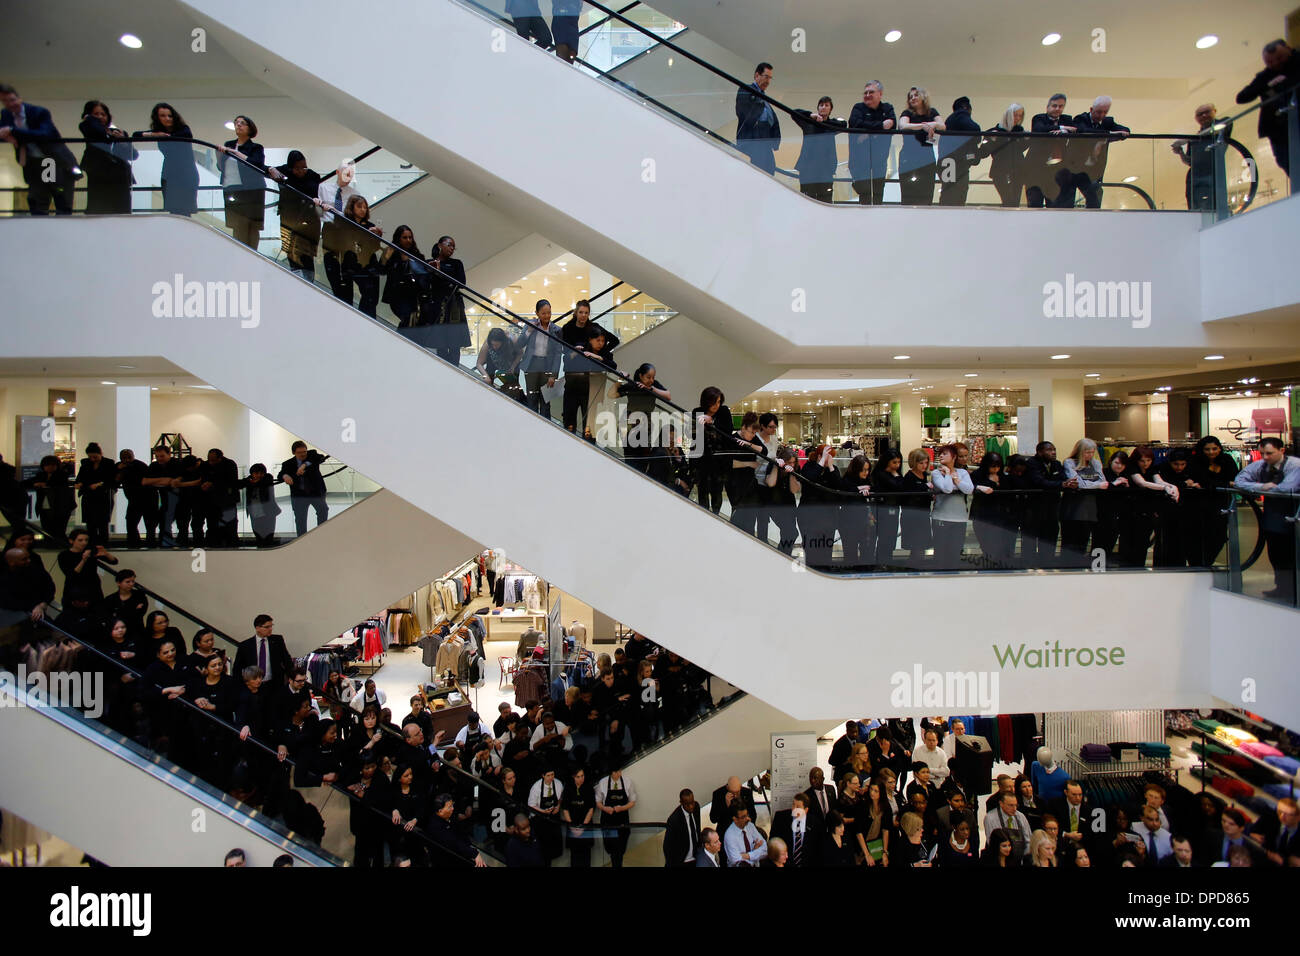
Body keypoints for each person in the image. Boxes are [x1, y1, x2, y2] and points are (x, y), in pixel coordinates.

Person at [1233, 436, 1299, 602]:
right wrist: (1262, 486)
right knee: (1276, 554)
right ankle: (1282, 588)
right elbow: (1239, 481)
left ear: (1282, 450)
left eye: (1269, 453)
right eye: (1262, 453)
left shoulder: (1295, 465)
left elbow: (1287, 488)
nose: (1265, 457)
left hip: (1294, 517)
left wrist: (1256, 488)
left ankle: (1294, 589)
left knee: (1293, 555)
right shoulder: (1261, 465)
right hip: (1273, 518)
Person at [0, 84, 78, 215]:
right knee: (37, 202)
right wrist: (9, 136)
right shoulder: (6, 114)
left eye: (12, 100)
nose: (10, 104)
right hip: (33, 163)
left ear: (19, 98)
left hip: (53, 160)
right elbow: (3, 132)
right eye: (5, 101)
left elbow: (44, 134)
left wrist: (13, 131)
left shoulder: (39, 112)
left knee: (60, 199)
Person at [1235, 40, 1300, 180]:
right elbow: (1242, 97)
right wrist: (1269, 85)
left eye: (1280, 58)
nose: (1275, 64)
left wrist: (1284, 83)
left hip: (1294, 120)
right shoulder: (1265, 75)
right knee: (1287, 162)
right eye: (1270, 62)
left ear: (1289, 49)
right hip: (1278, 129)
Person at [1056, 95, 1130, 208]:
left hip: (1092, 170)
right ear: (1091, 110)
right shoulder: (1080, 118)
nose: (1102, 115)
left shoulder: (1108, 122)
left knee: (1094, 199)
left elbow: (1126, 131)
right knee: (1066, 201)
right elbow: (1084, 131)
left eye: (1105, 112)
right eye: (1099, 112)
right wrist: (1108, 134)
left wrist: (1106, 136)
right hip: (1073, 168)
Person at [136, 102, 199, 216]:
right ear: (157, 118)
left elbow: (185, 136)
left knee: (185, 210)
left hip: (186, 173)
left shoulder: (183, 129)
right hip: (169, 174)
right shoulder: (158, 132)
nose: (167, 118)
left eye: (170, 116)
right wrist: (154, 135)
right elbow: (136, 135)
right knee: (173, 210)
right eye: (163, 116)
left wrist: (162, 135)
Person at [217, 115, 267, 248]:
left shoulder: (256, 148)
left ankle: (252, 254)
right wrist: (219, 154)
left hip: (252, 189)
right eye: (236, 123)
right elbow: (221, 167)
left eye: (242, 123)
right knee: (237, 225)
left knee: (252, 225)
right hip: (231, 188)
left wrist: (235, 153)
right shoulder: (228, 144)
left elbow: (257, 164)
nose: (238, 125)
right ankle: (239, 253)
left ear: (250, 128)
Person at [78, 100, 136, 215]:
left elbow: (133, 155)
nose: (100, 117)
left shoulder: (119, 132)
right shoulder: (87, 126)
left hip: (120, 175)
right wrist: (89, 118)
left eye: (103, 114)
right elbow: (98, 132)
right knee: (99, 207)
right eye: (96, 114)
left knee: (122, 210)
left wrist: (122, 141)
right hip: (99, 172)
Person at [1187, 435, 1238, 565]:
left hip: (1221, 504)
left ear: (1219, 448)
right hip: (1199, 505)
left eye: (1214, 448)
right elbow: (1203, 481)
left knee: (1219, 536)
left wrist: (1219, 483)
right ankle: (1197, 564)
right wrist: (1226, 483)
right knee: (1198, 536)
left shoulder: (1227, 460)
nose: (1211, 452)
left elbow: (1235, 478)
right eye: (1207, 449)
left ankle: (1207, 562)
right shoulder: (1195, 461)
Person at [611, 363, 670, 472]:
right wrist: (620, 379)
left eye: (653, 377)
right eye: (648, 377)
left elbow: (668, 396)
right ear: (641, 376)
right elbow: (611, 394)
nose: (651, 380)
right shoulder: (633, 385)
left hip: (645, 426)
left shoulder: (653, 385)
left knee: (643, 458)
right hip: (629, 425)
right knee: (630, 455)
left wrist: (651, 389)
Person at [1025, 441, 1075, 567]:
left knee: (1051, 533)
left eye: (1054, 449)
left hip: (1052, 506)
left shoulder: (1056, 464)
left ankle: (1047, 561)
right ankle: (1029, 563)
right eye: (1049, 450)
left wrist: (1063, 483)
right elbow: (1039, 482)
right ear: (1039, 452)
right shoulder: (1031, 463)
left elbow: (1063, 478)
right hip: (1035, 506)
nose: (1053, 452)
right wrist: (1059, 484)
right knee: (1032, 536)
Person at [1172, 104, 1231, 211]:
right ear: (1196, 118)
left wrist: (1187, 140)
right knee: (1194, 206)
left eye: (1207, 112)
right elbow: (1189, 161)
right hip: (1194, 176)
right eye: (1200, 114)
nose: (1203, 116)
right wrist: (1180, 152)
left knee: (1214, 204)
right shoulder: (1194, 139)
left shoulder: (1223, 123)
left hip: (1212, 172)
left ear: (1214, 111)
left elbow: (1216, 130)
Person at [1060, 438, 1109, 566]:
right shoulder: (1069, 462)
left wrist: (1092, 485)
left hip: (1090, 508)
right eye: (1087, 452)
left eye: (1092, 452)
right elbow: (1078, 483)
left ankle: (1080, 566)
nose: (1090, 455)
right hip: (1073, 507)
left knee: (1084, 540)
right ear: (1079, 451)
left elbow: (1104, 482)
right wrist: (1096, 485)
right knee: (1070, 541)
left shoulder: (1096, 463)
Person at [1024, 94, 1077, 208]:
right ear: (1047, 107)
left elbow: (1075, 130)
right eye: (1054, 106)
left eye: (1061, 106)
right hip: (1036, 169)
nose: (1057, 109)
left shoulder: (1067, 119)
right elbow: (1039, 129)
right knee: (1034, 204)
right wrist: (1062, 128)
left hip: (1056, 171)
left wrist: (1064, 131)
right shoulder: (1039, 118)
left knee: (1054, 205)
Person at [848, 81, 897, 204]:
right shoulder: (858, 108)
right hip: (860, 161)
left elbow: (892, 124)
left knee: (878, 193)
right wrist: (880, 126)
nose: (867, 95)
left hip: (879, 160)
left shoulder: (888, 108)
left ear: (880, 94)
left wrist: (867, 133)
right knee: (864, 194)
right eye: (865, 93)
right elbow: (855, 123)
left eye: (871, 92)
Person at [791, 96, 846, 202]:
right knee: (807, 200)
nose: (823, 107)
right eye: (821, 105)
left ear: (830, 109)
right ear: (818, 108)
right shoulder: (808, 122)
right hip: (808, 169)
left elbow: (843, 123)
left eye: (826, 105)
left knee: (825, 200)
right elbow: (794, 113)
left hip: (826, 169)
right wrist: (811, 116)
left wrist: (824, 122)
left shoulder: (831, 125)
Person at [798, 443, 843, 569]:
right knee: (811, 548)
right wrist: (822, 461)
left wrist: (830, 466)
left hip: (828, 517)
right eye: (828, 456)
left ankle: (825, 569)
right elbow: (810, 479)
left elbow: (838, 485)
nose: (830, 459)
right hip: (809, 516)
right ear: (819, 456)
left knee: (826, 548)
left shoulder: (832, 469)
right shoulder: (809, 467)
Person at [517, 299, 563, 418]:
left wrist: (553, 375)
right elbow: (519, 344)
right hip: (531, 365)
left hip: (547, 367)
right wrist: (529, 331)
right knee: (531, 398)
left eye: (549, 313)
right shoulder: (530, 325)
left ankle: (546, 426)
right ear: (537, 313)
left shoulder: (557, 330)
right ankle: (531, 424)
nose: (547, 316)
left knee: (545, 401)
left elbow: (558, 354)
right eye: (543, 313)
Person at [898, 86, 944, 205]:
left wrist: (932, 125)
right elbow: (902, 125)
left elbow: (942, 126)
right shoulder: (907, 113)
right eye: (910, 97)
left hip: (926, 157)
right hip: (909, 157)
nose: (912, 98)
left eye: (916, 95)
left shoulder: (932, 112)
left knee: (926, 193)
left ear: (923, 97)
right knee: (908, 193)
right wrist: (923, 126)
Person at [930, 444, 972, 569]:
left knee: (955, 552)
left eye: (945, 454)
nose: (941, 456)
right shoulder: (936, 473)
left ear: (953, 457)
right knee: (940, 553)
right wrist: (948, 474)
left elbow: (969, 489)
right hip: (941, 517)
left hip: (960, 518)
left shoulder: (962, 472)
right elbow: (947, 489)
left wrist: (957, 480)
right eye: (940, 454)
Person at [735, 62, 780, 176]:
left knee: (770, 170)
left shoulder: (764, 98)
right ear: (756, 75)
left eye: (770, 78)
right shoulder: (746, 90)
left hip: (765, 141)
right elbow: (743, 112)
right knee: (758, 172)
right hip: (753, 139)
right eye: (766, 77)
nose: (768, 81)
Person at [279, 442, 329, 537]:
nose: (303, 454)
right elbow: (280, 474)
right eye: (299, 452)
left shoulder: (312, 454)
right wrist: (285, 476)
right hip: (299, 495)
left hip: (316, 493)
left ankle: (321, 536)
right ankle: (302, 539)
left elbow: (320, 458)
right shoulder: (288, 463)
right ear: (293, 453)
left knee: (323, 511)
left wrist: (304, 465)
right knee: (300, 519)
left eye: (304, 452)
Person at [981, 103, 1027, 206]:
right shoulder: (995, 132)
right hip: (1000, 171)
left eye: (1020, 116)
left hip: (1018, 172)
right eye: (1015, 115)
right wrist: (992, 140)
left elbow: (1022, 147)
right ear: (1008, 115)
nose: (1017, 118)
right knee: (1008, 200)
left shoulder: (1020, 133)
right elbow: (983, 152)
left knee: (1014, 201)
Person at [938, 96, 981, 206]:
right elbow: (975, 129)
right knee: (957, 195)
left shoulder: (950, 120)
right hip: (955, 165)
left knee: (948, 194)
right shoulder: (961, 115)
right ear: (966, 107)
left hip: (947, 164)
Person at [73, 443, 117, 548]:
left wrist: (99, 484)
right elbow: (80, 478)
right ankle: (91, 545)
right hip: (89, 496)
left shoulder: (108, 463)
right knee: (90, 523)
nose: (93, 459)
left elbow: (111, 480)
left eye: (95, 457)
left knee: (103, 523)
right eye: (90, 457)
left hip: (103, 496)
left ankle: (103, 545)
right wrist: (79, 483)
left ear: (100, 454)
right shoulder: (85, 463)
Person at [233, 614, 292, 688]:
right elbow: (237, 668)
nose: (270, 629)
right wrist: (241, 685)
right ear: (257, 628)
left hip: (274, 684)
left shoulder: (277, 640)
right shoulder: (245, 645)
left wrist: (292, 678)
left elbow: (287, 660)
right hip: (253, 685)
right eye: (267, 627)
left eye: (271, 626)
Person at [594, 768, 637, 867]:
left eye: (620, 771)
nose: (619, 774)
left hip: (622, 822)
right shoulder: (603, 782)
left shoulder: (627, 782)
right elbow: (598, 802)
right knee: (612, 850)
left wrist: (622, 808)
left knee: (620, 850)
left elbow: (632, 801)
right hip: (608, 822)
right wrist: (605, 808)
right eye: (616, 772)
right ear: (610, 772)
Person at [900, 449, 933, 568]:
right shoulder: (909, 477)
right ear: (914, 462)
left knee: (921, 547)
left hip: (923, 514)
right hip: (912, 516)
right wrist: (925, 487)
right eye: (921, 463)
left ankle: (916, 567)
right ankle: (914, 568)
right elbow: (909, 494)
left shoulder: (924, 475)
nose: (924, 465)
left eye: (926, 463)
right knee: (917, 547)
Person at [1247, 796, 1300, 866]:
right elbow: (1248, 828)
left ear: (1298, 817)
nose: (1282, 816)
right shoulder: (1271, 816)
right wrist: (1251, 834)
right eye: (1280, 812)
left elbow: (1295, 861)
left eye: (1289, 815)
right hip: (1263, 855)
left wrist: (1283, 862)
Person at [983, 791, 1032, 859]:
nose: (1014, 809)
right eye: (1011, 805)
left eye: (1016, 805)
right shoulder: (990, 818)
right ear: (1001, 804)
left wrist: (1022, 858)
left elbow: (1028, 841)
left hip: (1021, 858)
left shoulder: (1021, 816)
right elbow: (992, 844)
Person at [241, 464, 279, 547]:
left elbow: (265, 482)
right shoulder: (248, 480)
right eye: (256, 473)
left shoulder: (268, 478)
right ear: (252, 474)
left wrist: (253, 482)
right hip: (254, 513)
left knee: (268, 536)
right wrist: (250, 482)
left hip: (268, 512)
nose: (259, 475)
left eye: (261, 473)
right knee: (258, 535)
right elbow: (240, 483)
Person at [664, 788, 703, 867]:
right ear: (681, 803)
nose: (691, 806)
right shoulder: (674, 820)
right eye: (687, 804)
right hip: (682, 861)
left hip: (697, 857)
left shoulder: (696, 807)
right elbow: (667, 847)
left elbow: (697, 830)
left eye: (692, 803)